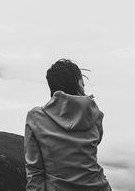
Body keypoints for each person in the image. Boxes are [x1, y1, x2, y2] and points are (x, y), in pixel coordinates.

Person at [24, 59, 112, 191]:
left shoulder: (36, 117)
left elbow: (35, 171)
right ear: (78, 84)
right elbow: (95, 142)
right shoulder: (94, 113)